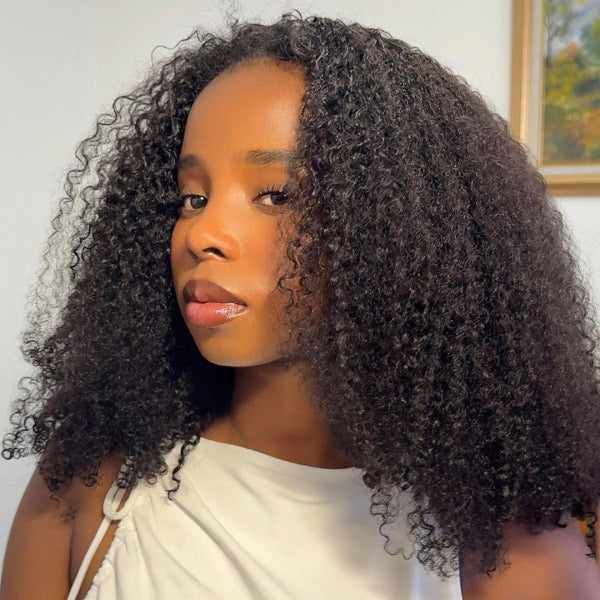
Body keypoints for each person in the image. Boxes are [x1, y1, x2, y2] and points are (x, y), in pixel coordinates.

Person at [2, 11, 600, 600]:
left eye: (275, 195)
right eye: (192, 198)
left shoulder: (493, 525)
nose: (202, 234)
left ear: (395, 229)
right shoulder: (95, 477)